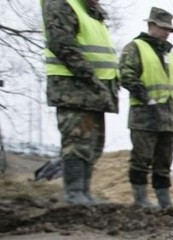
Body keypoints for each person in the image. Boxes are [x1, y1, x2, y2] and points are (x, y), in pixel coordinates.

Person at [42, 0, 120, 205]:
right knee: (77, 142)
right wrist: (89, 76)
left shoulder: (91, 12)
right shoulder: (61, 3)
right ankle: (74, 193)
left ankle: (84, 193)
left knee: (93, 144)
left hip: (95, 91)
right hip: (75, 89)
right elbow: (62, 44)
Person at [119, 7, 173, 209]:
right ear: (151, 25)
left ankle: (164, 201)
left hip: (169, 117)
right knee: (141, 158)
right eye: (163, 28)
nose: (167, 33)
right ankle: (140, 199)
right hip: (145, 115)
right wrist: (146, 99)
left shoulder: (170, 55)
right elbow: (127, 76)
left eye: (169, 30)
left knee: (164, 162)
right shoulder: (135, 47)